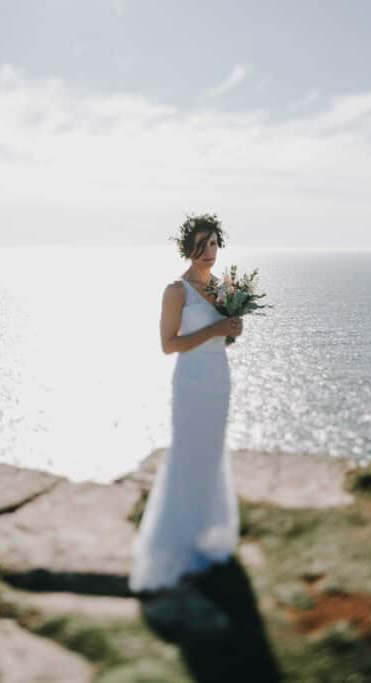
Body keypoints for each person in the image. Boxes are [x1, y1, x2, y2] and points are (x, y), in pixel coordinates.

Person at [129, 213, 243, 594]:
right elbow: (168, 345)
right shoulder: (175, 291)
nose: (208, 252)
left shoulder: (225, 287)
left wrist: (232, 332)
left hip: (219, 378)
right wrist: (215, 329)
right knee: (186, 453)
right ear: (187, 249)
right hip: (191, 382)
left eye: (212, 243)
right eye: (200, 245)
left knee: (210, 454)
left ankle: (206, 532)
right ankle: (173, 544)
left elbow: (221, 340)